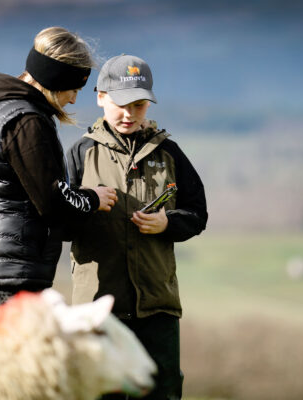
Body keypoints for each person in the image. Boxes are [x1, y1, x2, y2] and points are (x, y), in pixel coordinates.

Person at [66, 54, 208, 400]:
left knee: (162, 393)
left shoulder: (170, 153)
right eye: (120, 103)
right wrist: (89, 204)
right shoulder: (79, 154)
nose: (129, 114)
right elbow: (58, 220)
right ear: (100, 96)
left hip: (157, 309)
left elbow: (197, 215)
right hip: (97, 311)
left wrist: (167, 223)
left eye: (139, 105)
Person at [0, 27, 117, 319]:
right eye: (75, 89)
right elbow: (52, 201)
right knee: (22, 360)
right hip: (12, 270)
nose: (73, 100)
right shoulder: (27, 121)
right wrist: (93, 199)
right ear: (57, 80)